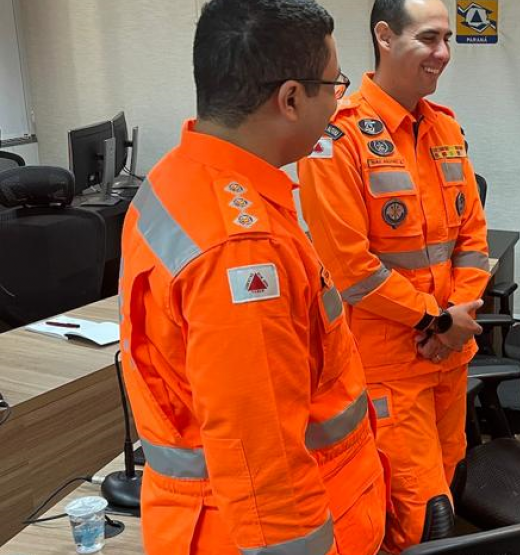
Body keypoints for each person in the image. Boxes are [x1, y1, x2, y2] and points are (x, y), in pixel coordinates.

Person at [118, 1, 387, 554]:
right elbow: (264, 468)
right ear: (290, 98)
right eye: (333, 83)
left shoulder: (177, 177)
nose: (340, 101)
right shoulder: (243, 251)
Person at [297, 0, 489, 551]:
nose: (443, 54)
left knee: (447, 483)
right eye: (428, 39)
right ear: (384, 35)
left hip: (449, 356)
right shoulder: (338, 135)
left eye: (447, 39)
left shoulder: (446, 128)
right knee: (419, 513)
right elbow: (351, 269)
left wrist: (457, 318)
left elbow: (473, 243)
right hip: (388, 366)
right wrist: (436, 318)